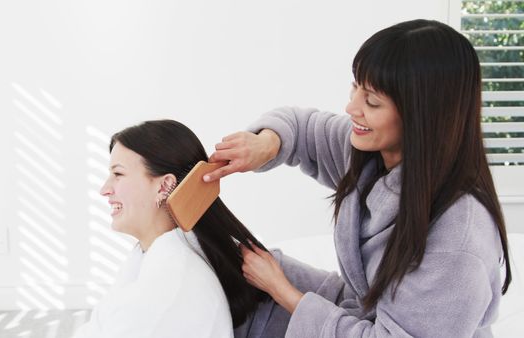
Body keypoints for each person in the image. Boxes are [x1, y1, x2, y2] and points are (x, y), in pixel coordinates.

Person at [205, 19, 512, 337]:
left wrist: (283, 290)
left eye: (372, 101)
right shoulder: (375, 151)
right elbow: (302, 128)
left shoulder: (458, 240)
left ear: (422, 116)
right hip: (362, 314)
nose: (351, 107)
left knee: (266, 288)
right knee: (233, 271)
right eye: (356, 87)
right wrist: (264, 145)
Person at [71, 119, 269, 338]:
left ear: (164, 186)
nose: (105, 189)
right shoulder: (151, 260)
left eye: (118, 174)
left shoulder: (169, 286)